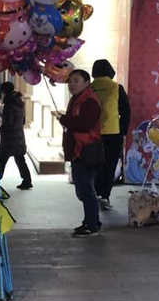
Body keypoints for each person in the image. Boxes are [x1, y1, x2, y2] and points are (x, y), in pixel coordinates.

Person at [53, 69, 103, 238]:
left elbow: (83, 124)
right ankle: (89, 221)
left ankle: (92, 225)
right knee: (82, 190)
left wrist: (64, 119)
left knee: (86, 190)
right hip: (78, 151)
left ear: (87, 82)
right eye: (70, 81)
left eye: (76, 80)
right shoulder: (77, 99)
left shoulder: (89, 101)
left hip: (86, 150)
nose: (72, 84)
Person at [91, 59, 131, 211]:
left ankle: (95, 193)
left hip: (92, 134)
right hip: (113, 134)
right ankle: (105, 196)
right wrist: (123, 132)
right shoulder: (116, 88)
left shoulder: (89, 88)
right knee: (109, 165)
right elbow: (126, 111)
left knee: (94, 165)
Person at [0, 81, 33, 190]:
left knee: (1, 160)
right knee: (20, 159)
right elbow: (23, 121)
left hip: (9, 138)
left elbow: (8, 122)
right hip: (18, 136)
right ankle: (27, 180)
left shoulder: (9, 104)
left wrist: (2, 127)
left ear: (4, 91)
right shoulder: (19, 102)